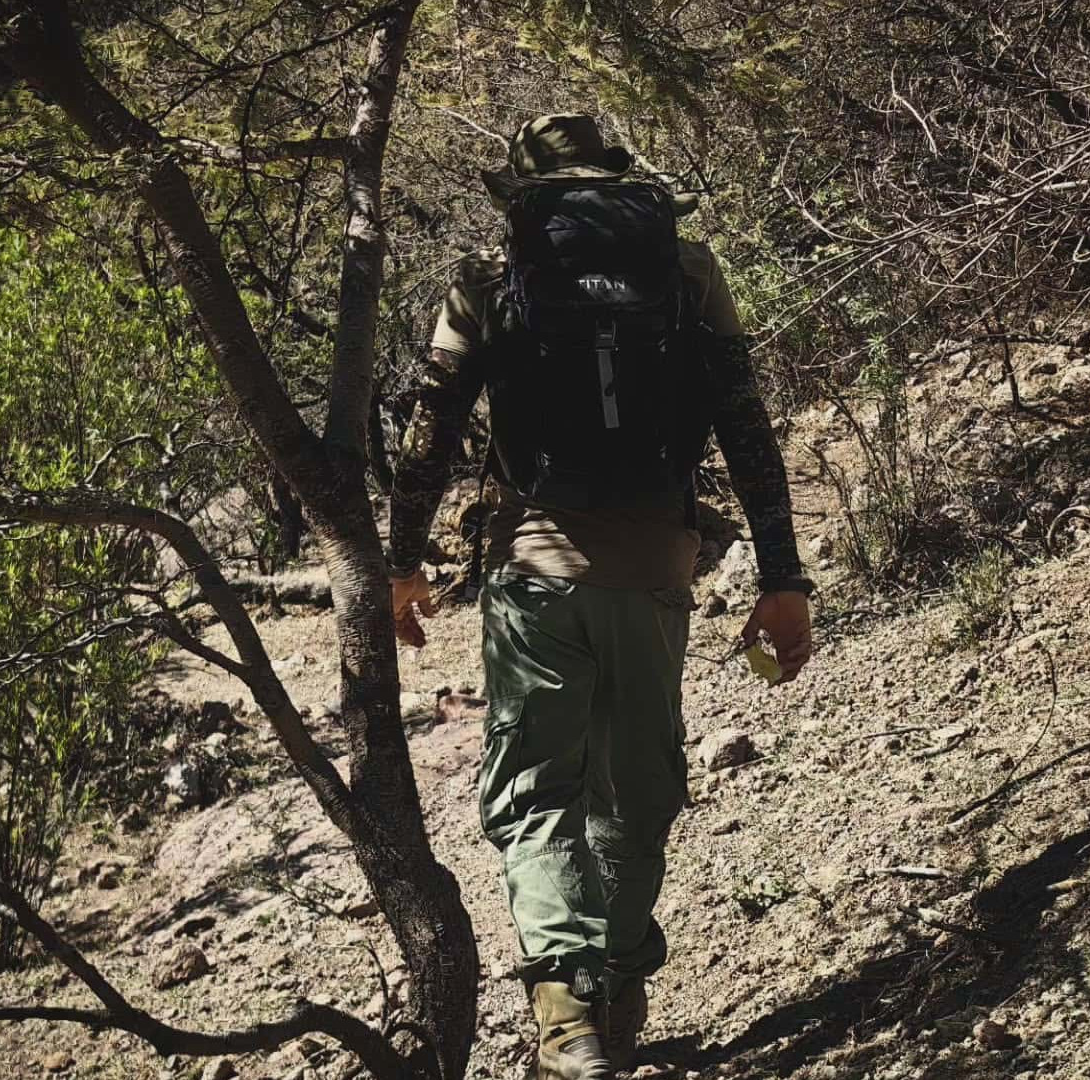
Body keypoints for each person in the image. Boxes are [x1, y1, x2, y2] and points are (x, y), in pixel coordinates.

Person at [387, 114, 813, 1079]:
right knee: (636, 789)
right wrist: (782, 578)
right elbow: (746, 425)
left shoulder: (487, 283)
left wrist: (402, 563)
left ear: (522, 194)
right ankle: (615, 1000)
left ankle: (569, 1016)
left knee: (539, 792)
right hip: (655, 569)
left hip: (534, 573)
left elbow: (430, 431)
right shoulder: (687, 272)